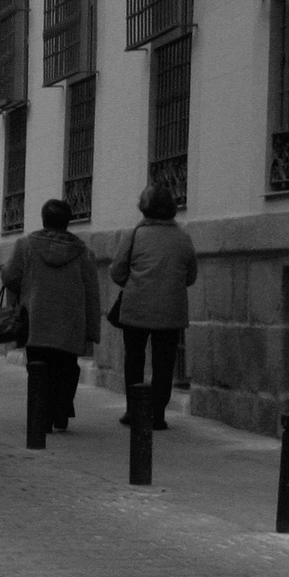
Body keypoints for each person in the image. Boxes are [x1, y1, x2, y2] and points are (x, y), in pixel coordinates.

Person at [2, 199, 99, 432]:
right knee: (66, 368)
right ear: (68, 222)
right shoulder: (83, 252)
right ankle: (61, 411)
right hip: (70, 324)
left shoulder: (25, 246)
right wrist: (92, 330)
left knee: (37, 368)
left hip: (36, 321)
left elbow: (10, 277)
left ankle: (41, 415)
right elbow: (91, 292)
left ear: (43, 219)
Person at [111, 183, 198, 430]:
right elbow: (190, 276)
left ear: (143, 208)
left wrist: (137, 281)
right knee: (164, 363)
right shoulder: (183, 237)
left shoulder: (134, 235)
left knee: (134, 359)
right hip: (171, 311)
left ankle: (134, 410)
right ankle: (157, 414)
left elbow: (117, 272)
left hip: (136, 309)